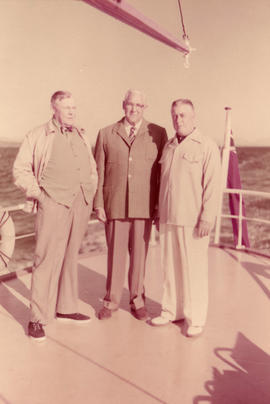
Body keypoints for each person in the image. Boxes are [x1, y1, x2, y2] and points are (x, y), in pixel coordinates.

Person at [13, 91, 98, 341]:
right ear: (54, 108)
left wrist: (90, 190)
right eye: (67, 108)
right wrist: (37, 193)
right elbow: (20, 169)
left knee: (70, 257)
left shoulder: (81, 134)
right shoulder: (38, 135)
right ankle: (37, 319)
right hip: (52, 201)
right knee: (46, 259)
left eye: (74, 107)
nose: (72, 112)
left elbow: (91, 167)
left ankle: (66, 308)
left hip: (80, 202)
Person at [94, 89, 168, 321]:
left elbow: (162, 175)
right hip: (114, 205)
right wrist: (98, 204)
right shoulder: (106, 133)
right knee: (115, 256)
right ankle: (111, 301)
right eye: (130, 104)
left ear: (145, 107)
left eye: (139, 105)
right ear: (123, 105)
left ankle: (138, 301)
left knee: (139, 258)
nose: (134, 109)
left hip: (144, 206)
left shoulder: (158, 133)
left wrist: (158, 207)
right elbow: (97, 173)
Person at [151, 99, 221, 337]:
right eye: (175, 115)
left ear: (193, 117)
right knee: (169, 268)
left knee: (194, 270)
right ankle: (171, 310)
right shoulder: (169, 146)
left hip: (193, 220)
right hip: (169, 216)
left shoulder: (206, 145)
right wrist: (158, 211)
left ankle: (195, 317)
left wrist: (207, 217)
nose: (178, 120)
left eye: (183, 115)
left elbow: (213, 185)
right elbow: (164, 183)